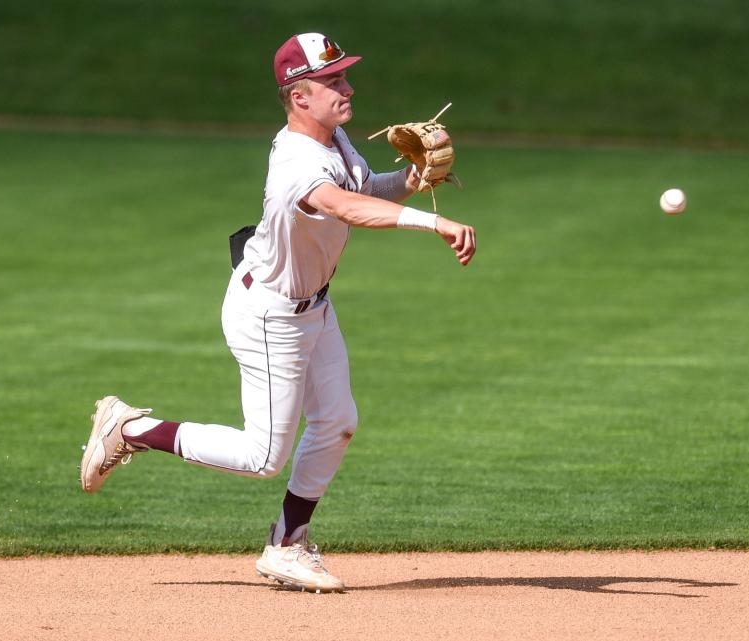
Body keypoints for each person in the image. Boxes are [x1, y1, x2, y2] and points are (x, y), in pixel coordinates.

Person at [79, 32, 476, 593]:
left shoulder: (335, 139)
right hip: (270, 315)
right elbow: (342, 206)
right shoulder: (295, 160)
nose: (348, 87)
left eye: (344, 76)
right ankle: (134, 428)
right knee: (263, 455)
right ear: (299, 96)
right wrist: (433, 221)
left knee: (337, 422)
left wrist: (410, 181)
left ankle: (287, 545)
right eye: (333, 81)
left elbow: (362, 187)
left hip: (314, 305)